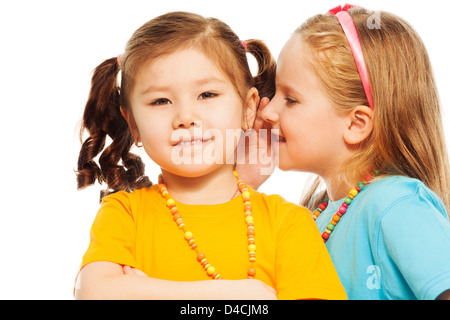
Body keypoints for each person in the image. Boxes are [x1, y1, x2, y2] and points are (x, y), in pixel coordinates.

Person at [74, 11, 346, 300]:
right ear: (133, 125)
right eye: (160, 101)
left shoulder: (287, 223)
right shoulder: (124, 213)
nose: (186, 117)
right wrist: (239, 295)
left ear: (248, 108)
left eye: (207, 95)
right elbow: (94, 293)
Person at [244, 4, 450, 300]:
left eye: (290, 99)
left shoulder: (395, 203)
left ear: (356, 123)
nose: (270, 110)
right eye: (275, 93)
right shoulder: (314, 213)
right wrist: (245, 182)